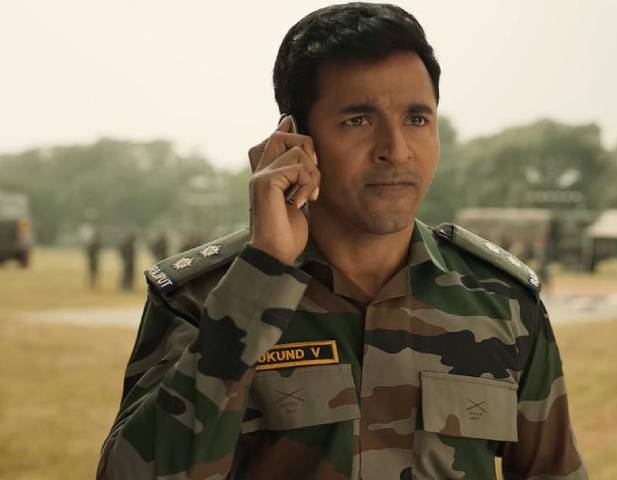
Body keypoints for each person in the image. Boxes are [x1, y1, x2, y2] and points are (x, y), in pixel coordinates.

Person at [98, 3, 587, 479]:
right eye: (359, 120)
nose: (396, 150)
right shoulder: (201, 299)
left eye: (417, 119)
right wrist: (263, 274)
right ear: (293, 140)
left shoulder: (502, 301)